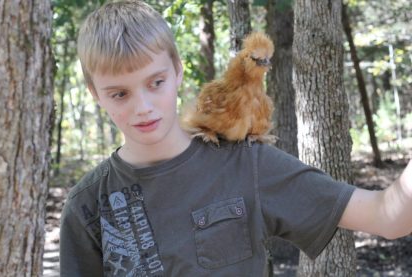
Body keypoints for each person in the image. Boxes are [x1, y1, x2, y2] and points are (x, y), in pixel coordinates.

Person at [59, 1, 412, 276]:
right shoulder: (89, 205)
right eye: (120, 94)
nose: (144, 107)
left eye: (156, 83)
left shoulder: (247, 164)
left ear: (178, 70)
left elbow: (388, 216)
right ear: (94, 93)